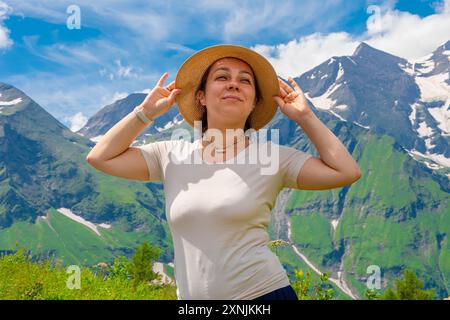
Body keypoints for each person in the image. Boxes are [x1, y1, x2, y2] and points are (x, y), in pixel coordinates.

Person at [86, 44, 362, 300]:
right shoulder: (170, 155)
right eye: (222, 77)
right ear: (201, 97)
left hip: (263, 296)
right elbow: (101, 157)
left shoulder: (272, 157)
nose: (234, 83)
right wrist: (145, 112)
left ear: (254, 101)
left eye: (245, 80)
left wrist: (305, 116)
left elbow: (346, 171)